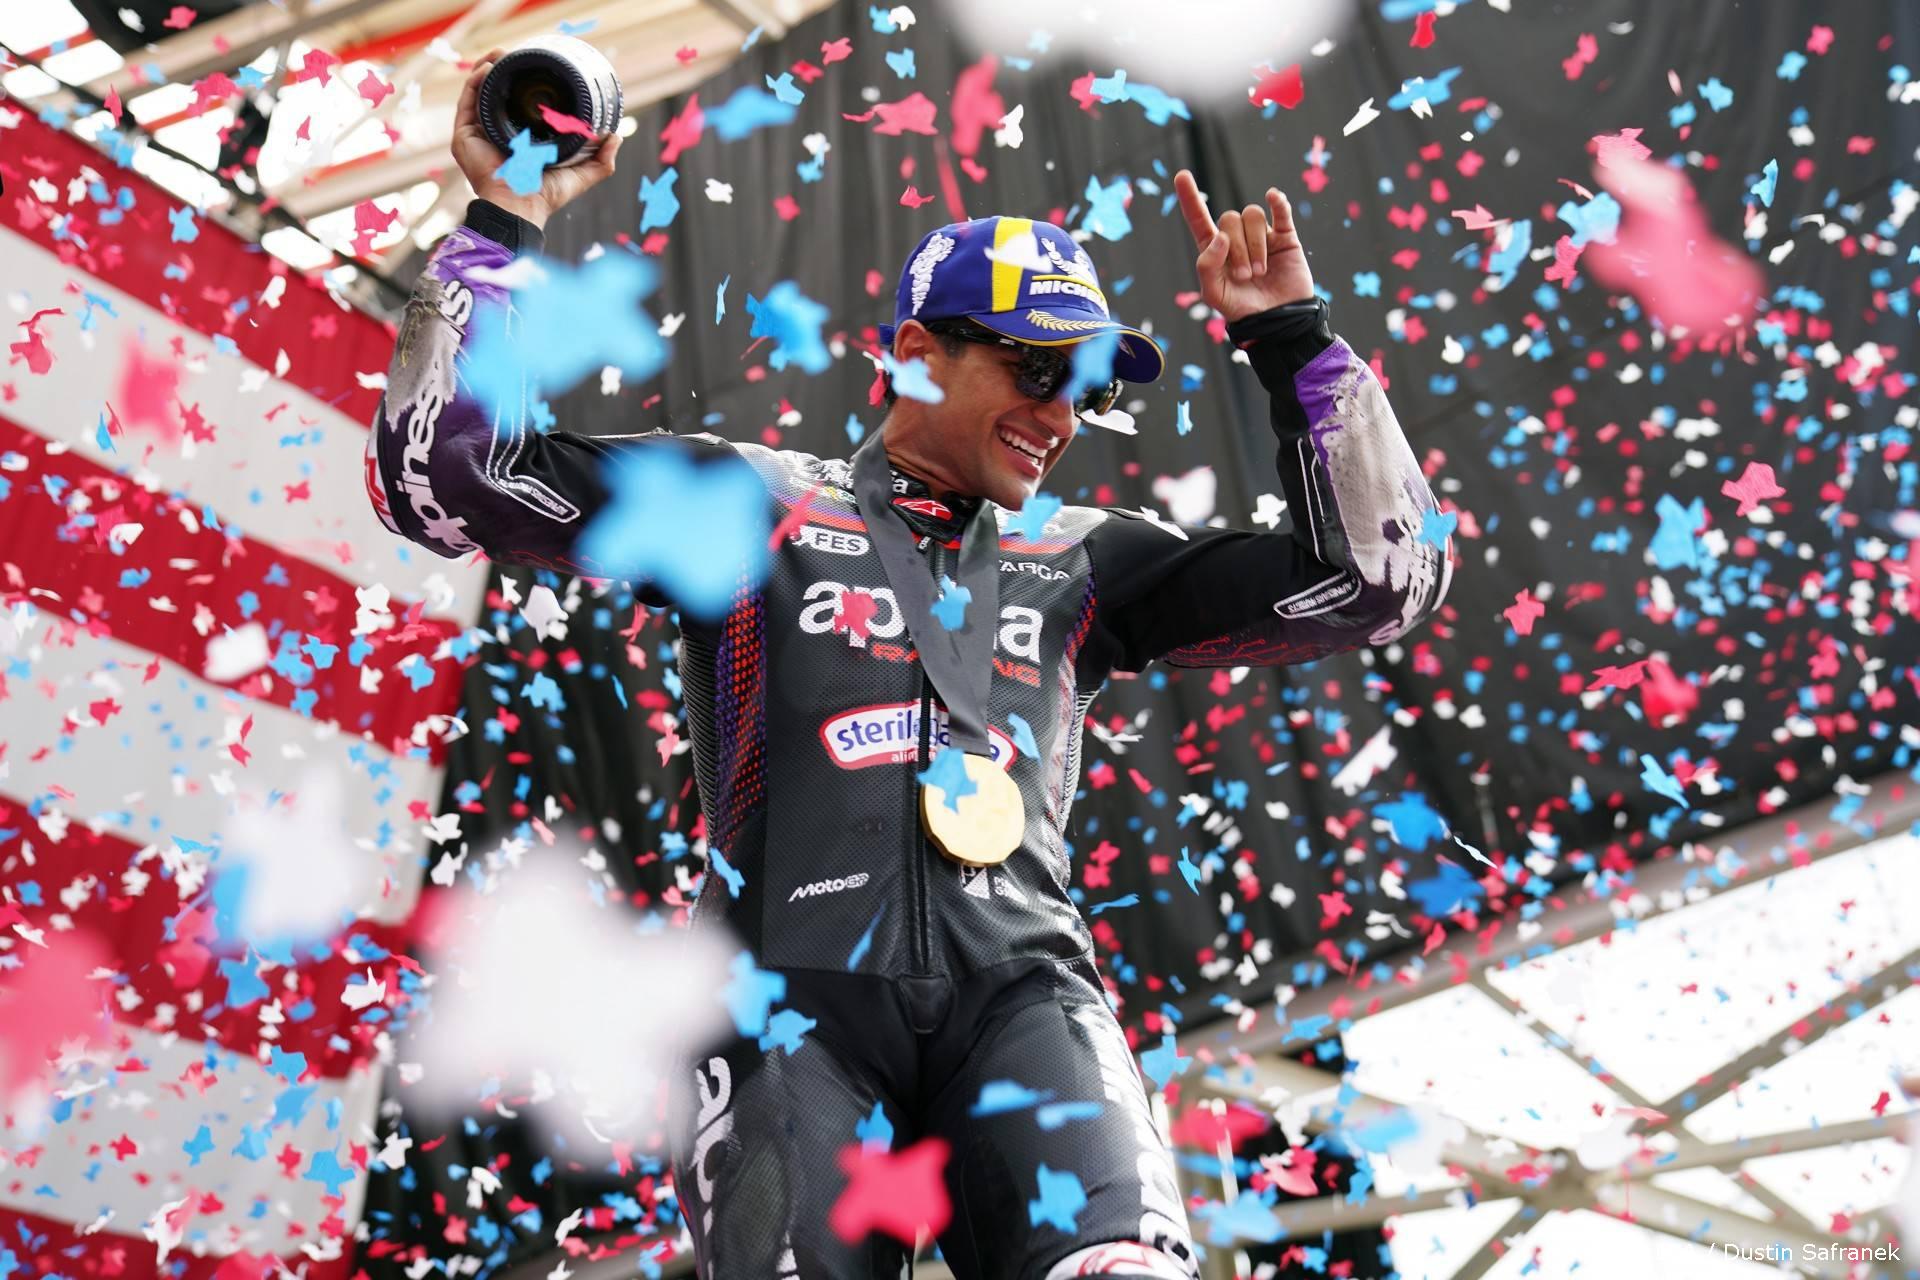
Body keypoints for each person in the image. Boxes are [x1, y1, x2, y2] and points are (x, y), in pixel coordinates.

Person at [366, 48, 1454, 1280]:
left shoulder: (1090, 558)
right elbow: (446, 479)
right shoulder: (750, 506)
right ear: (921, 354)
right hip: (793, 1019)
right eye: (1038, 368)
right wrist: (508, 215)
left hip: (1024, 999)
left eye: (1085, 387)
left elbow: (1376, 581)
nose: (1059, 414)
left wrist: (1291, 340)